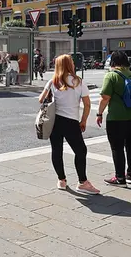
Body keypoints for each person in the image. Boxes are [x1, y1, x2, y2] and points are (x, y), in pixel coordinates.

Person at [38, 55, 99, 194]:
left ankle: (61, 180)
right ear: (70, 64)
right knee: (80, 151)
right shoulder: (78, 81)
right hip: (71, 121)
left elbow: (41, 99)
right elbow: (87, 104)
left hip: (54, 121)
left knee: (57, 150)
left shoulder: (53, 81)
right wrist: (83, 120)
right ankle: (82, 182)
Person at [97, 51, 131, 187]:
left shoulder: (111, 76)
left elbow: (105, 97)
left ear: (113, 62)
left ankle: (120, 178)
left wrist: (99, 113)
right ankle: (130, 175)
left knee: (117, 148)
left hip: (117, 117)